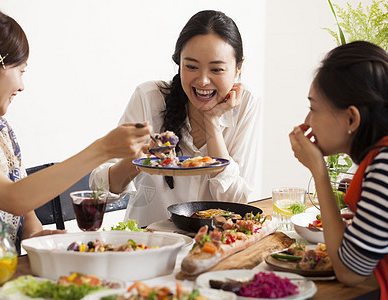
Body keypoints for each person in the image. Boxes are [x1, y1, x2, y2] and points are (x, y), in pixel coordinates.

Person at [0, 3, 151, 268]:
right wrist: (103, 149)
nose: (22, 86)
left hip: (0, 278)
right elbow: (13, 197)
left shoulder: (0, 129)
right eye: (20, 71)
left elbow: (23, 206)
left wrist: (34, 234)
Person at [90, 10, 262, 227]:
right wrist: (143, 157)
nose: (203, 81)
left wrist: (212, 123)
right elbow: (100, 189)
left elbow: (237, 202)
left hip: (215, 245)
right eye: (191, 67)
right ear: (179, 62)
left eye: (216, 69)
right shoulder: (149, 98)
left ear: (238, 68)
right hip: (148, 243)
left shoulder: (246, 103)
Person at [289, 41, 388, 299]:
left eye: (313, 108)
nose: (307, 121)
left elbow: (350, 272)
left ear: (351, 118)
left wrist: (319, 171)